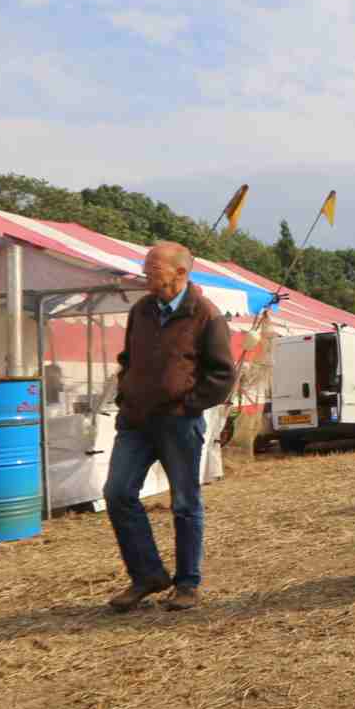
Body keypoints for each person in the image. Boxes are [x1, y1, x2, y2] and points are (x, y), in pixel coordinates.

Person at [105, 242, 237, 613]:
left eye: (153, 267)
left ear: (180, 272)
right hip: (135, 421)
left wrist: (187, 405)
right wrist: (125, 396)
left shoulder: (206, 314)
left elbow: (222, 375)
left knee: (184, 503)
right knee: (117, 493)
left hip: (179, 423)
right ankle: (147, 575)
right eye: (146, 266)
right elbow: (127, 359)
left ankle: (187, 584)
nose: (145, 273)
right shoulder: (141, 311)